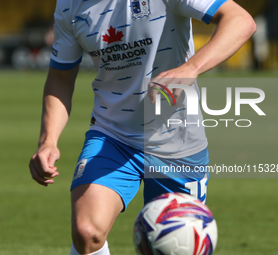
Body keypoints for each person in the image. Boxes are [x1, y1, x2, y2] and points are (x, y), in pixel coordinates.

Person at [29, 0, 256, 254]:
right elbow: (60, 77)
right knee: (87, 231)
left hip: (177, 138)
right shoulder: (69, 5)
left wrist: (190, 68)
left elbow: (240, 20)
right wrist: (48, 141)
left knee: (179, 246)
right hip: (112, 134)